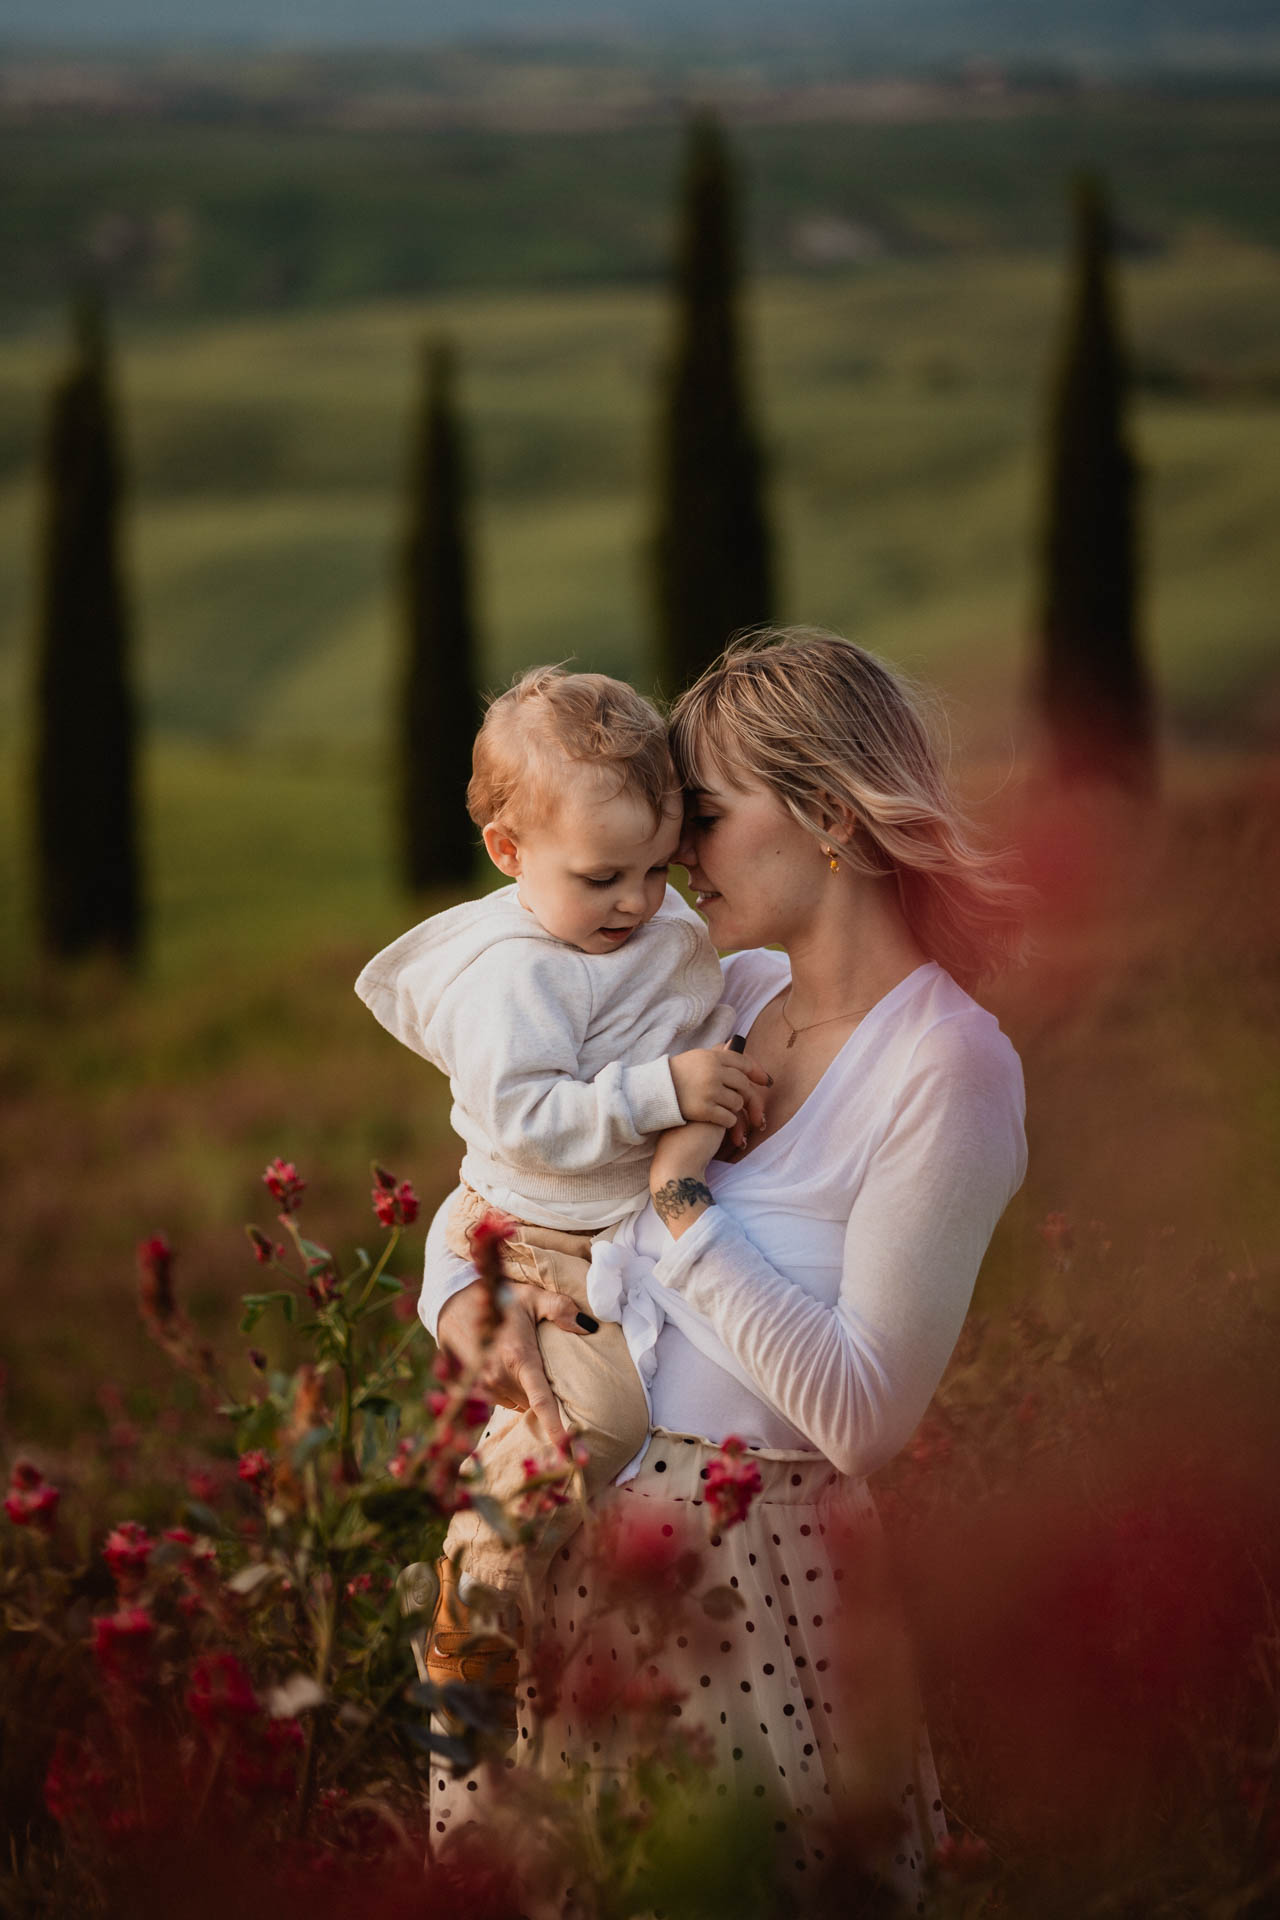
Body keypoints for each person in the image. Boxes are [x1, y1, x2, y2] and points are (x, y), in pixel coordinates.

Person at [419, 629, 1027, 1906]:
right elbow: (503, 1167)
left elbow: (864, 1417)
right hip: (559, 1544)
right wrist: (467, 1296)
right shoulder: (722, 990)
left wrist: (677, 1207)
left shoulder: (947, 1066)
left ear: (826, 818)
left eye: (700, 814)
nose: (675, 858)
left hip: (750, 1586)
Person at [355, 666, 769, 1716]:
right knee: (595, 1425)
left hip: (616, 1220)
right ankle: (473, 1603)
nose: (635, 900)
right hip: (542, 1228)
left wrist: (717, 1092)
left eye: (654, 867)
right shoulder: (517, 975)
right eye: (600, 879)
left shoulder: (641, 923)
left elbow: (680, 1025)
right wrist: (663, 1089)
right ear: (509, 853)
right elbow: (521, 1117)